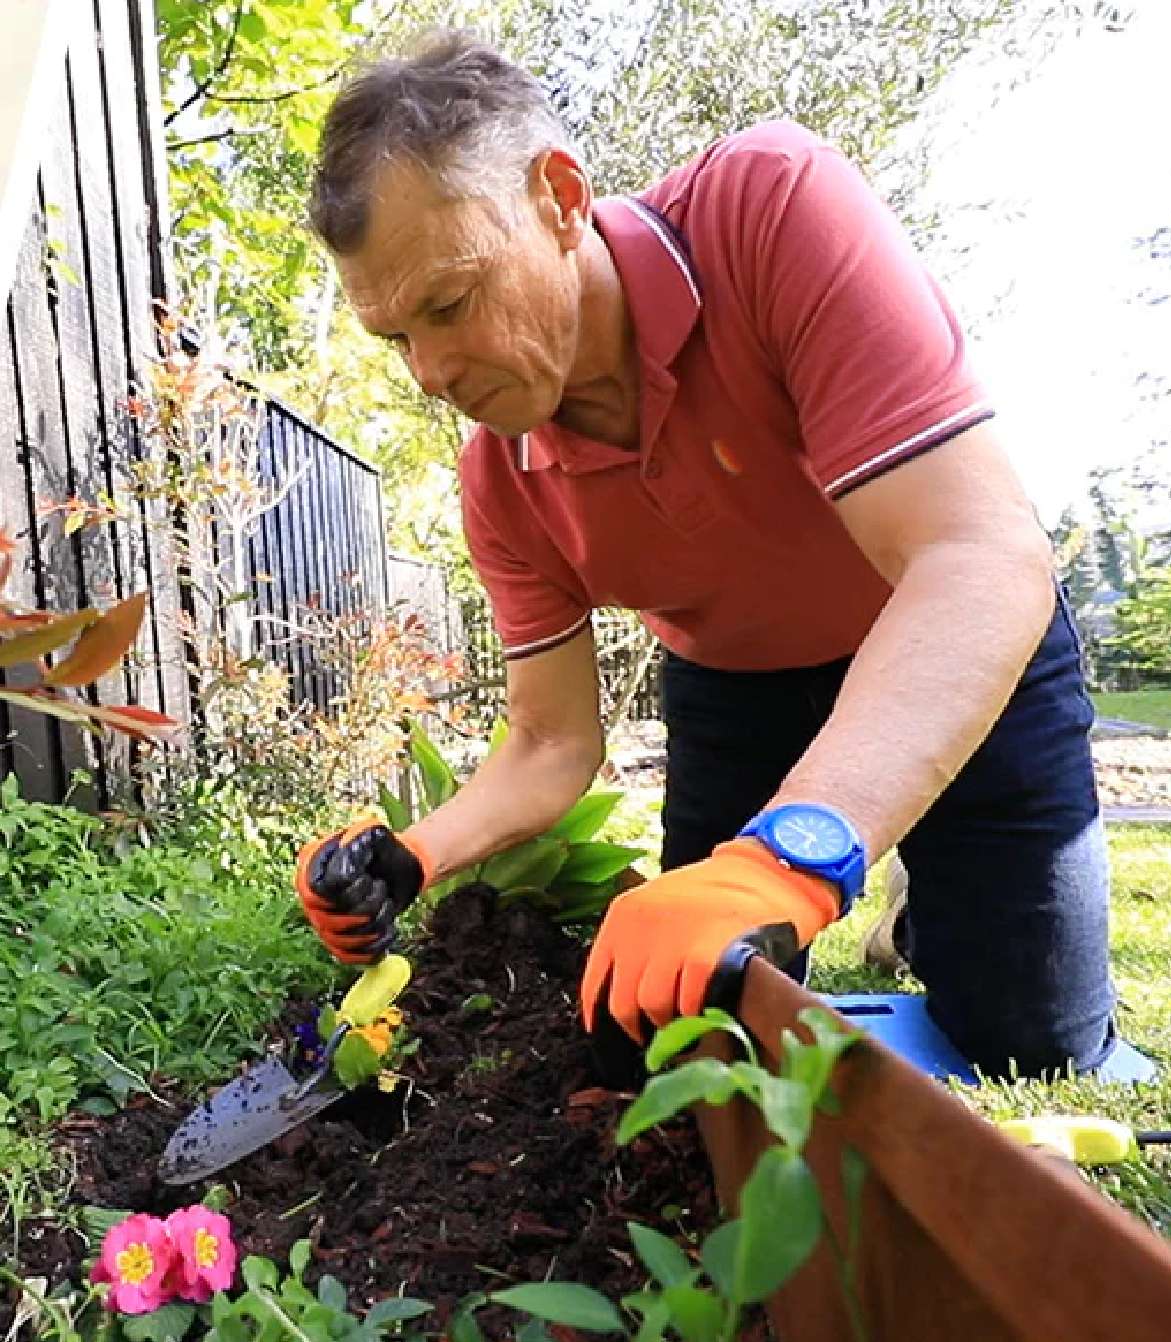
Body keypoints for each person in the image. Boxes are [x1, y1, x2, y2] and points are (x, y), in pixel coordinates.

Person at [293, 29, 1124, 1080]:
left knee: (1033, 1048)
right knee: (691, 1037)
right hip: (739, 693)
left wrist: (794, 854)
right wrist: (413, 860)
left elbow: (979, 556)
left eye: (450, 305)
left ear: (558, 196)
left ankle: (915, 889)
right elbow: (551, 745)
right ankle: (887, 850)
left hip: (958, 648)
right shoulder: (499, 484)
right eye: (396, 337)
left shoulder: (771, 212)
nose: (429, 371)